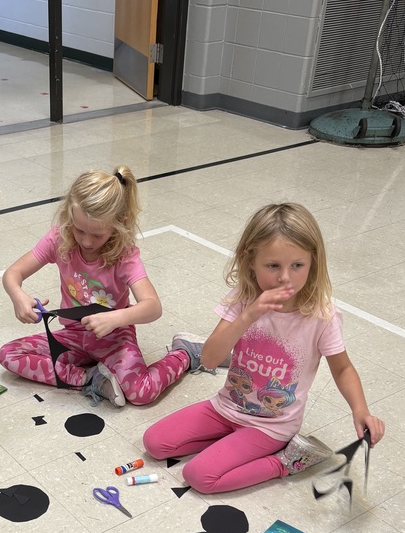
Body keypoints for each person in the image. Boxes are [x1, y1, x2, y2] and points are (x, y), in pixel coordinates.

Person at [143, 202, 385, 494]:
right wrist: (249, 315)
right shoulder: (244, 298)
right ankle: (230, 448)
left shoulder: (322, 315)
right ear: (250, 262)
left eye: (298, 265)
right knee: (154, 443)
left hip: (271, 426)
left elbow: (343, 368)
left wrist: (361, 410)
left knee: (200, 476)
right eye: (273, 266)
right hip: (226, 407)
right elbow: (209, 358)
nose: (285, 277)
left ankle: (288, 461)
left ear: (313, 262)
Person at [0, 165, 192, 406]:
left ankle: (184, 353)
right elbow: (13, 273)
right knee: (9, 355)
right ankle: (91, 378)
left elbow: (153, 307)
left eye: (97, 235)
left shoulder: (124, 255)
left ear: (119, 223)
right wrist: (18, 296)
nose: (87, 241)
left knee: (141, 393)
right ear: (69, 216)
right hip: (73, 335)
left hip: (115, 336)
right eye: (79, 230)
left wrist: (115, 319)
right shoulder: (59, 238)